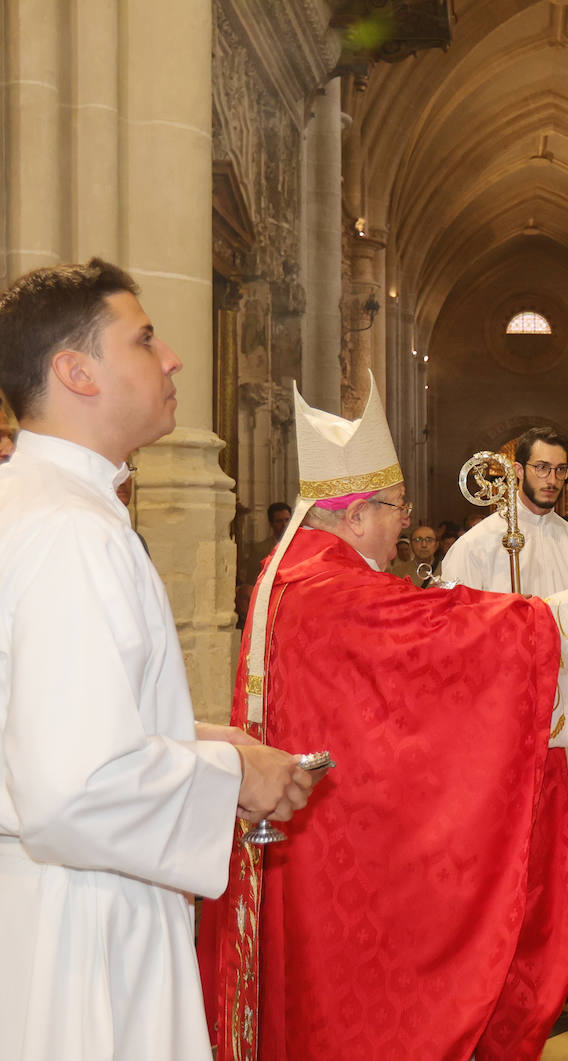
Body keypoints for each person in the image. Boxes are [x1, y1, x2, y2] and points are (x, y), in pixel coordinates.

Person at [198, 383, 568, 1061]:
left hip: (314, 823)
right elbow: (443, 637)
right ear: (358, 512)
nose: (406, 522)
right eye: (398, 508)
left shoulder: (299, 572)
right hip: (335, 838)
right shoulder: (331, 587)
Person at [0, 259, 316, 1060]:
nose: (172, 357)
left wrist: (206, 738)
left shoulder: (32, 503)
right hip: (81, 927)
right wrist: (236, 778)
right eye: (142, 339)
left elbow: (42, 718)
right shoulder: (73, 530)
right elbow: (72, 790)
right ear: (75, 371)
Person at [442, 426, 568, 1005]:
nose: (551, 480)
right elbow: (457, 631)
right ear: (517, 472)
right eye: (542, 469)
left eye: (561, 471)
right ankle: (510, 963)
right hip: (504, 723)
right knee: (517, 843)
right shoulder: (477, 546)